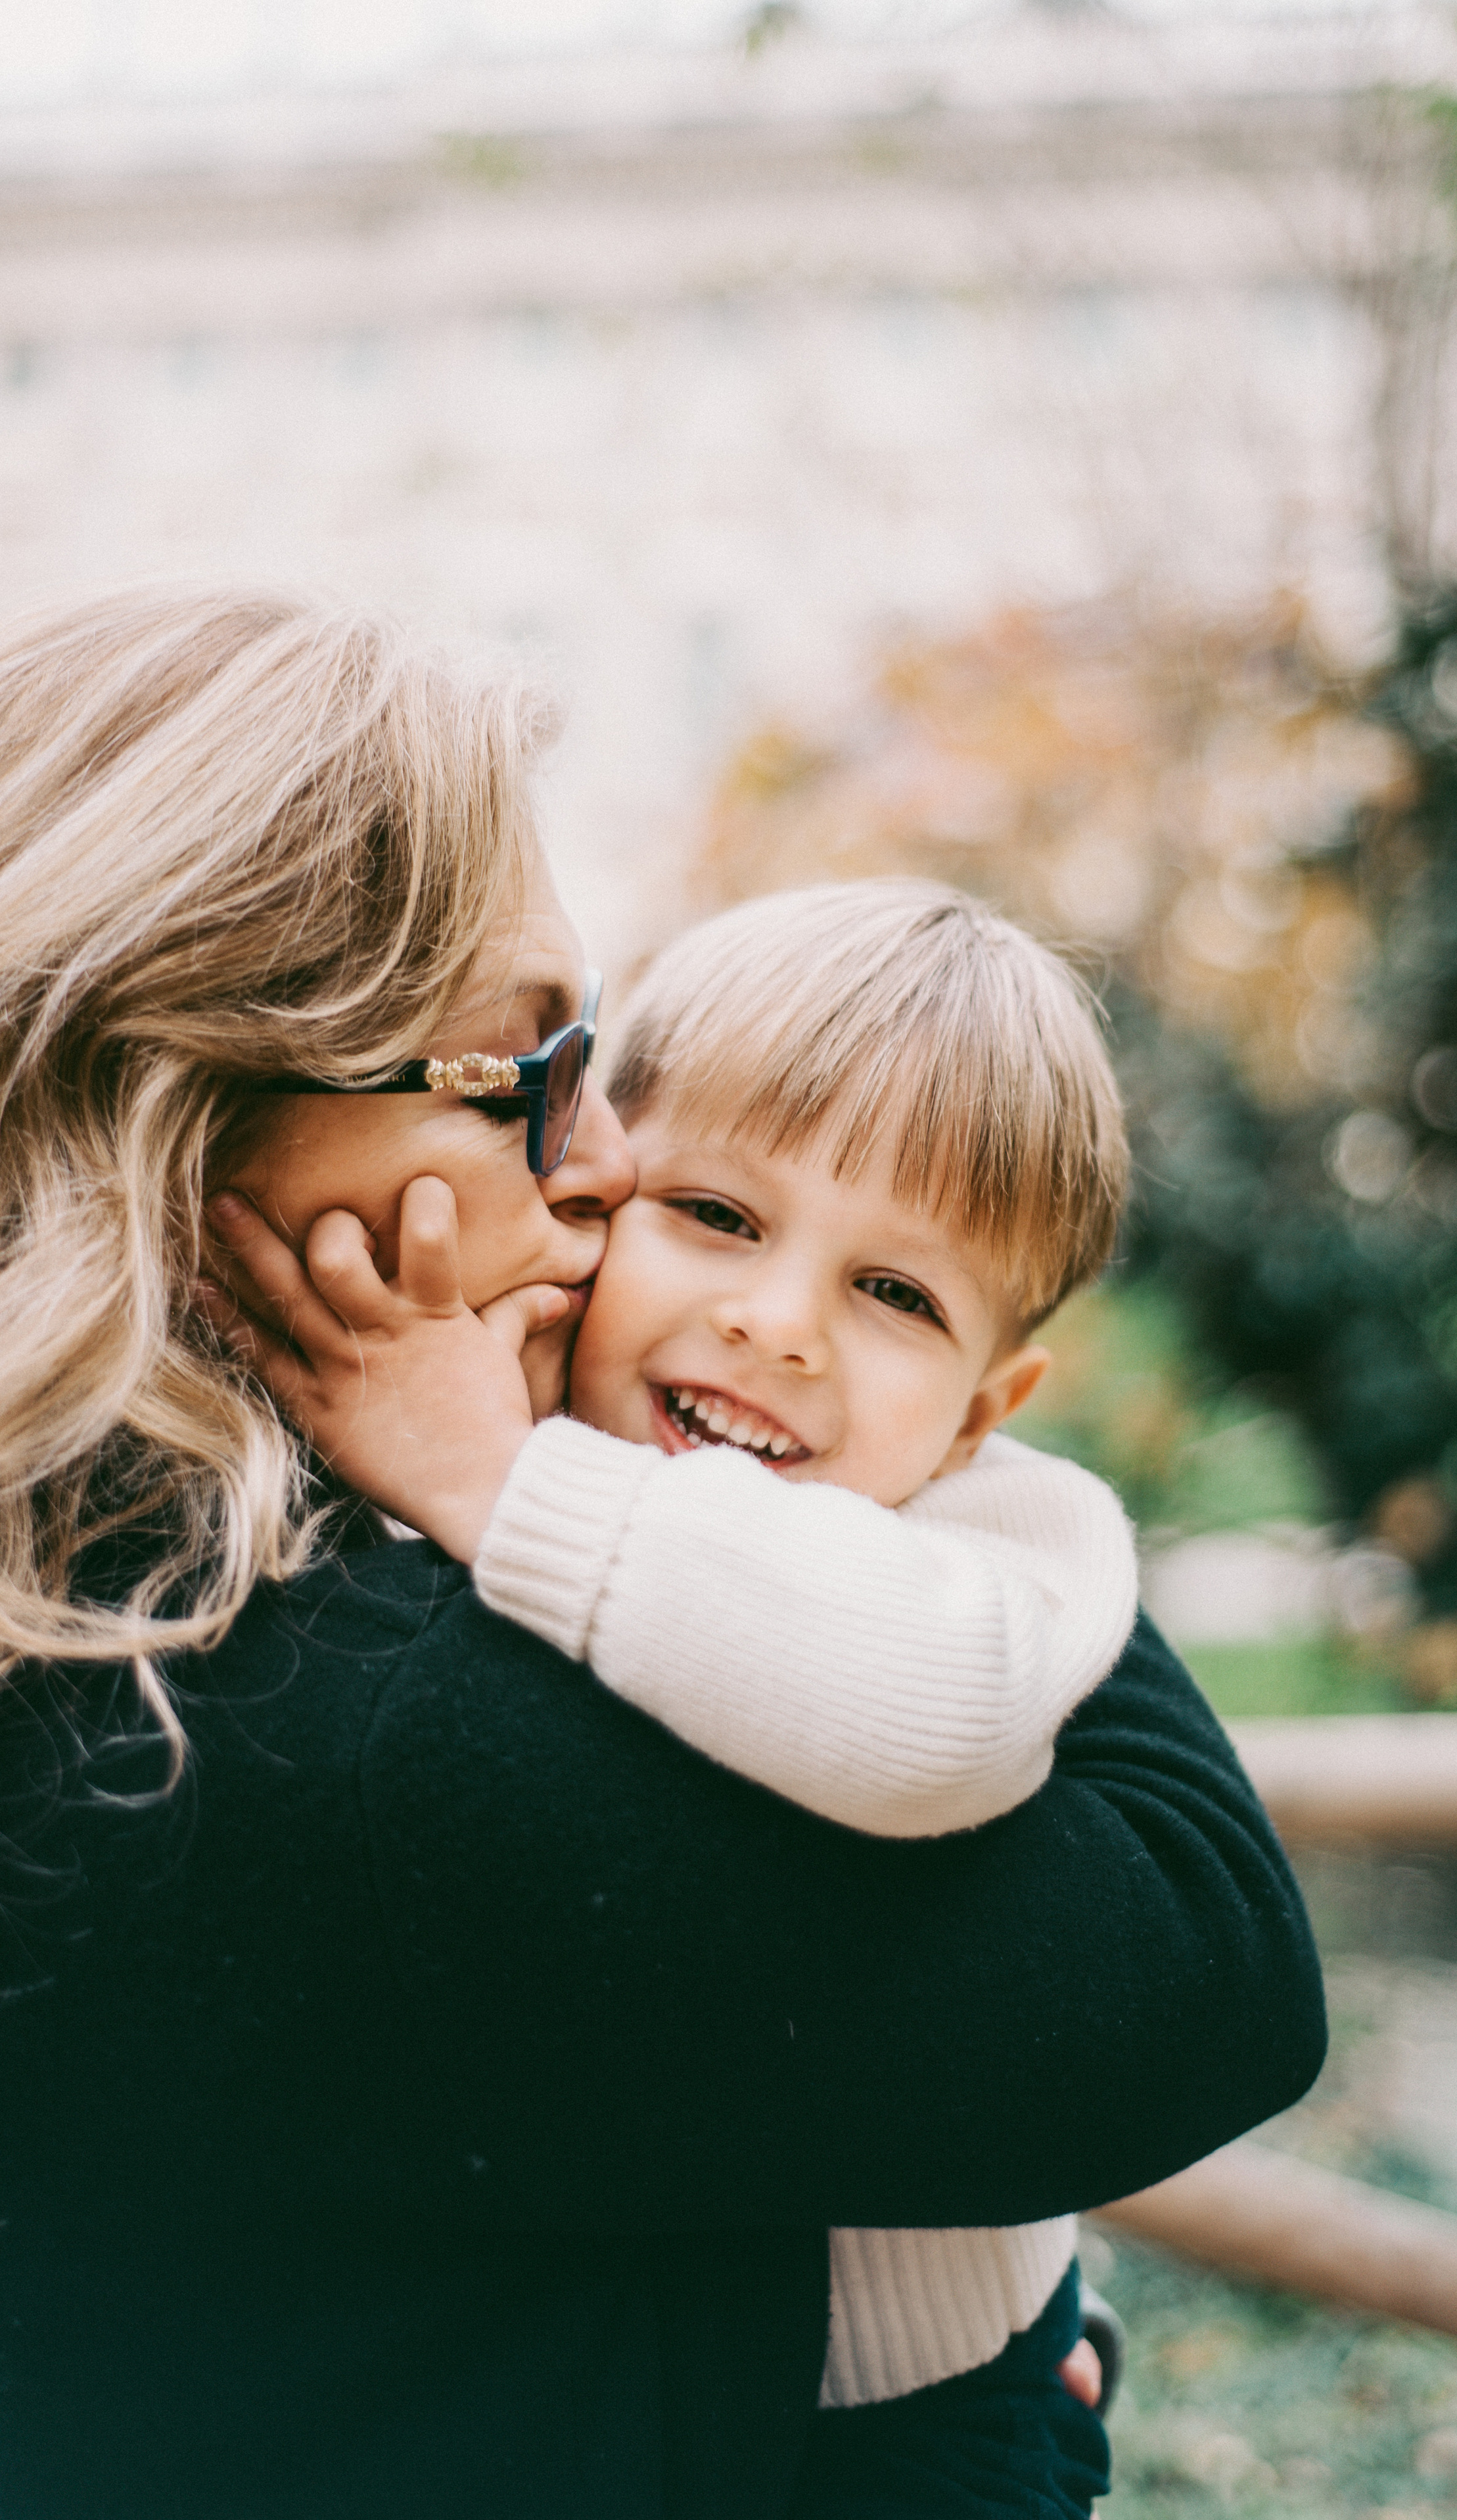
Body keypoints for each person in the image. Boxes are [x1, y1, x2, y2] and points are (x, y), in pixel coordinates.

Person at [0, 585, 1327, 2520]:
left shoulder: (124, 1599)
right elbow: (1198, 1965)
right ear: (199, 1111)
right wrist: (919, 1471)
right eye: (534, 1071)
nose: (610, 1162)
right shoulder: (318, 1728)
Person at [212, 879, 1142, 2516]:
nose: (774, 1325)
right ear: (596, 1192)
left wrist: (498, 1486)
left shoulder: (990, 1534)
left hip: (909, 2427)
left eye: (896, 1295)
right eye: (715, 1215)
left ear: (986, 1410)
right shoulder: (504, 1400)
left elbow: (944, 1713)